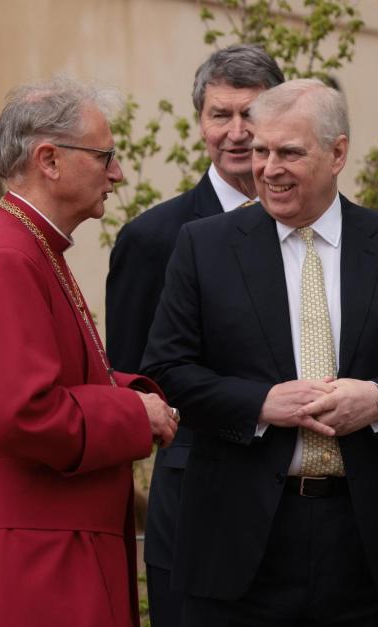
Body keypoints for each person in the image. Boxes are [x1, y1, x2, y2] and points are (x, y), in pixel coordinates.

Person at [141, 78, 378, 627]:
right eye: (261, 151)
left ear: (338, 152)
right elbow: (166, 372)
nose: (268, 168)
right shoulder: (204, 247)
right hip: (240, 540)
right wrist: (260, 404)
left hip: (364, 539)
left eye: (289, 152)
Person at [0, 77, 178, 627]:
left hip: (56, 543)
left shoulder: (32, 246)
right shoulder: (7, 257)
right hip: (36, 558)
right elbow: (22, 413)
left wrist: (136, 394)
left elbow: (61, 376)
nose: (116, 172)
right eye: (105, 156)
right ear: (49, 159)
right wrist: (131, 413)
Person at [105, 44, 284, 627]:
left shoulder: (318, 227)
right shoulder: (153, 238)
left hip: (308, 506)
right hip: (200, 499)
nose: (236, 132)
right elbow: (132, 377)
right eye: (220, 114)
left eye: (251, 114)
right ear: (199, 122)